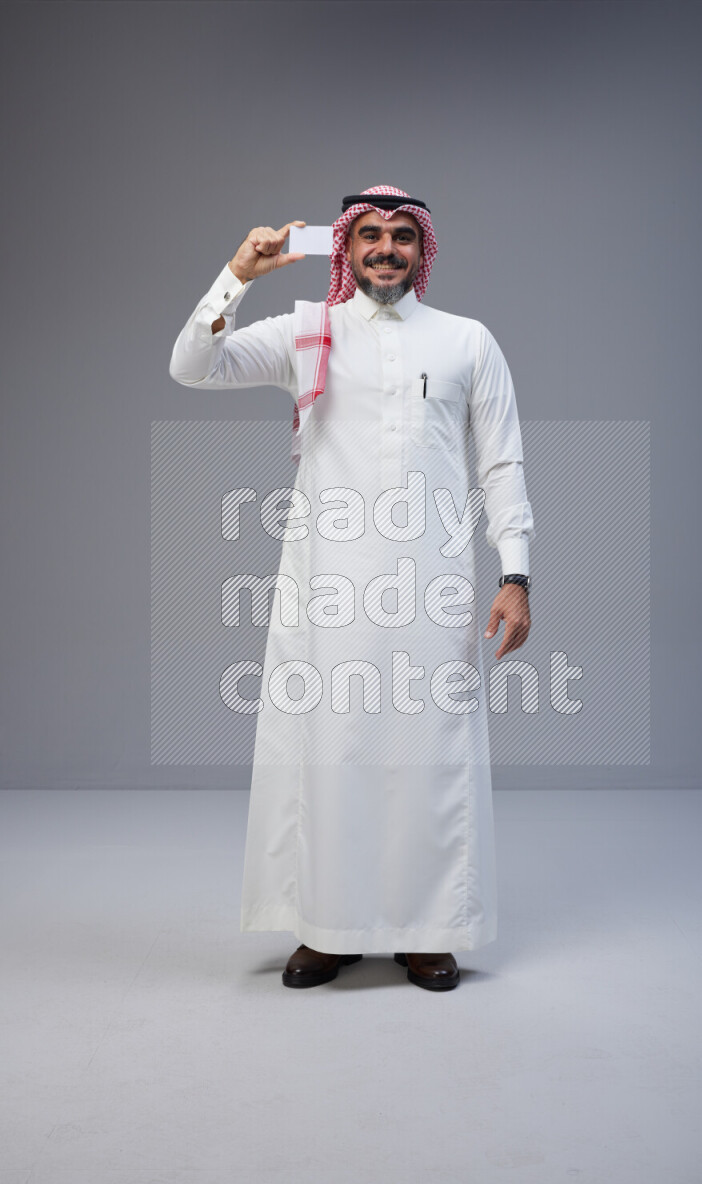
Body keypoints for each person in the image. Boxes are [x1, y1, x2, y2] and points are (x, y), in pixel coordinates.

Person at [170, 184, 534, 991]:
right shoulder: (309, 330)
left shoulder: (467, 341)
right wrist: (239, 273)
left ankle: (428, 929)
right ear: (345, 245)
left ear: (423, 249)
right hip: (328, 583)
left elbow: (502, 464)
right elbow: (191, 368)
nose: (386, 250)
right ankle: (327, 929)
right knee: (331, 748)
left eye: (403, 236)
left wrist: (515, 573)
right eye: (370, 235)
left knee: (427, 753)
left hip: (434, 584)